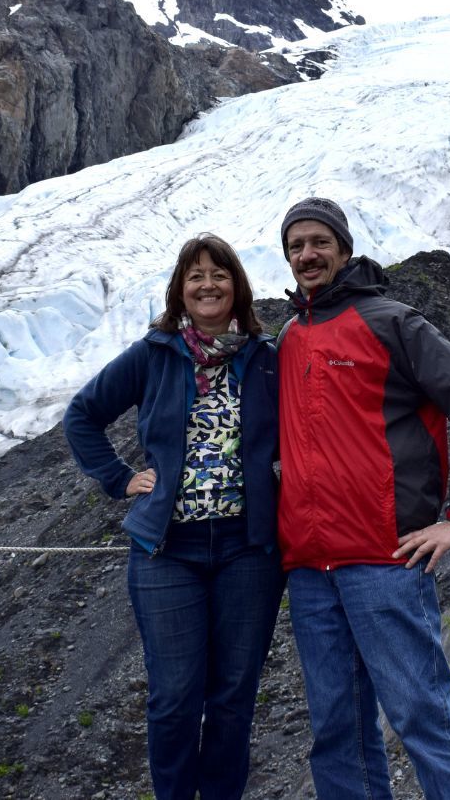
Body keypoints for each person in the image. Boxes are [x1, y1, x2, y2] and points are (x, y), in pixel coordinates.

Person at [276, 197, 450, 799]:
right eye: (296, 245)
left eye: (318, 242)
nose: (307, 254)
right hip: (310, 569)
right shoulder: (287, 338)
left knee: (421, 719)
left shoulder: (390, 322)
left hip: (384, 559)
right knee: (336, 732)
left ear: (344, 250)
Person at [64, 233, 285, 800]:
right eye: (196, 276)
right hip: (168, 551)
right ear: (180, 291)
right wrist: (119, 478)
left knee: (234, 696)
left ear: (237, 287)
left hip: (246, 549)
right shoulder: (155, 354)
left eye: (219, 275)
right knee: (175, 698)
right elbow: (83, 414)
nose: (207, 285)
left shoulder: (265, 358)